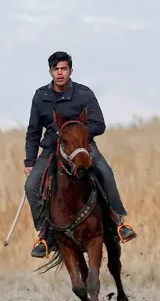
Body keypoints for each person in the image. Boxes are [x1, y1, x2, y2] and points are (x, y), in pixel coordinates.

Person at [23, 51, 137, 258]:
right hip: (51, 149)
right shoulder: (41, 97)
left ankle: (119, 222)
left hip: (82, 147)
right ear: (50, 72)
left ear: (70, 71)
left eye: (64, 69)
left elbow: (99, 124)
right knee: (31, 185)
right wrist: (30, 161)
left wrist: (77, 135)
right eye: (56, 69)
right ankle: (44, 234)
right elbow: (33, 131)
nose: (60, 73)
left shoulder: (84, 94)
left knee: (105, 173)